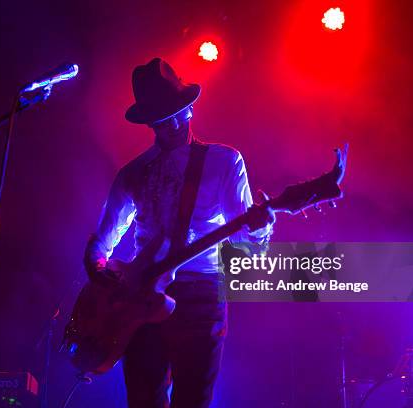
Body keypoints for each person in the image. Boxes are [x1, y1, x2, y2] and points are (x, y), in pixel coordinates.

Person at [84, 58, 275, 408]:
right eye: (160, 117)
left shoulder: (224, 161)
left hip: (200, 294)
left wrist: (259, 230)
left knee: (193, 400)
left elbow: (245, 245)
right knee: (143, 400)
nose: (171, 123)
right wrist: (102, 282)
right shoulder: (133, 173)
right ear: (148, 120)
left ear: (190, 107)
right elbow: (101, 241)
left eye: (177, 111)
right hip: (139, 298)